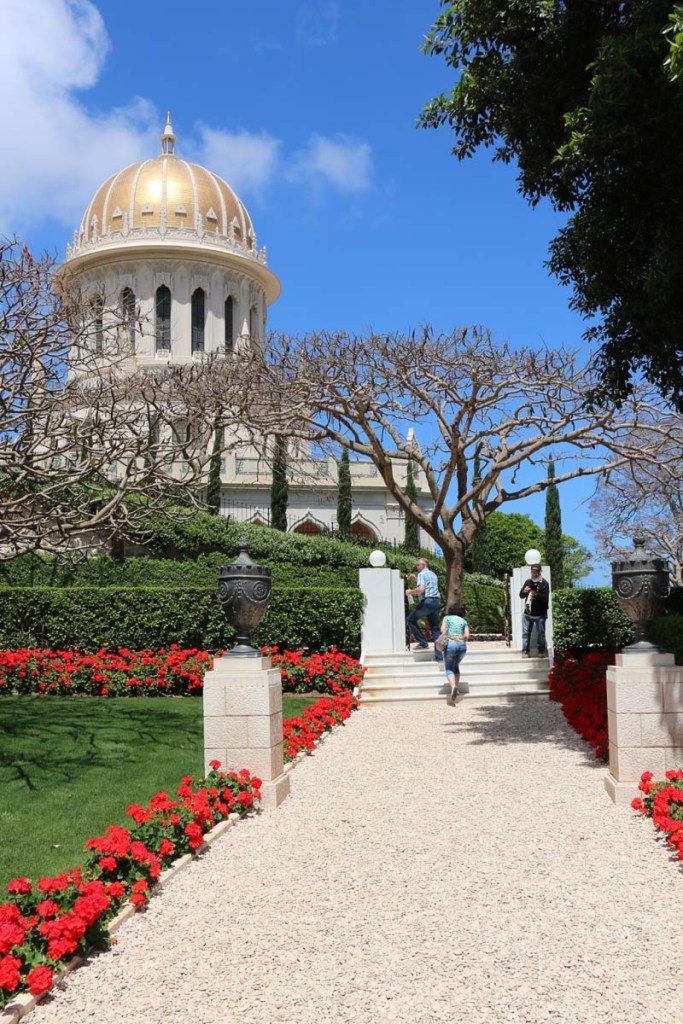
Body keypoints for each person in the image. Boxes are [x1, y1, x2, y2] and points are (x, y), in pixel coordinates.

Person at [405, 557, 441, 649]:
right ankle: (439, 656)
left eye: (418, 564)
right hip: (437, 602)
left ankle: (423, 643)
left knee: (410, 620)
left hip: (427, 602)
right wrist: (416, 579)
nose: (417, 566)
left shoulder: (422, 574)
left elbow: (421, 589)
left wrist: (410, 591)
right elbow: (428, 586)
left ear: (423, 565)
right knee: (435, 628)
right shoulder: (433, 574)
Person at [439, 603, 470, 704]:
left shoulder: (447, 618)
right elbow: (467, 635)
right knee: (455, 665)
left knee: (448, 668)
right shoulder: (463, 621)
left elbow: (442, 630)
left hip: (450, 643)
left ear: (451, 610)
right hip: (462, 645)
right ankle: (456, 687)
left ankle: (453, 686)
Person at [519, 564, 550, 658]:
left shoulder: (544, 583)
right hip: (528, 613)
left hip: (540, 614)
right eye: (533, 572)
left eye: (536, 572)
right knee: (525, 633)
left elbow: (545, 599)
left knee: (541, 633)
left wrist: (537, 594)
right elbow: (521, 595)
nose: (534, 574)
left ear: (540, 572)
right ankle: (525, 651)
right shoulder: (528, 582)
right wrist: (525, 591)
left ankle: (541, 651)